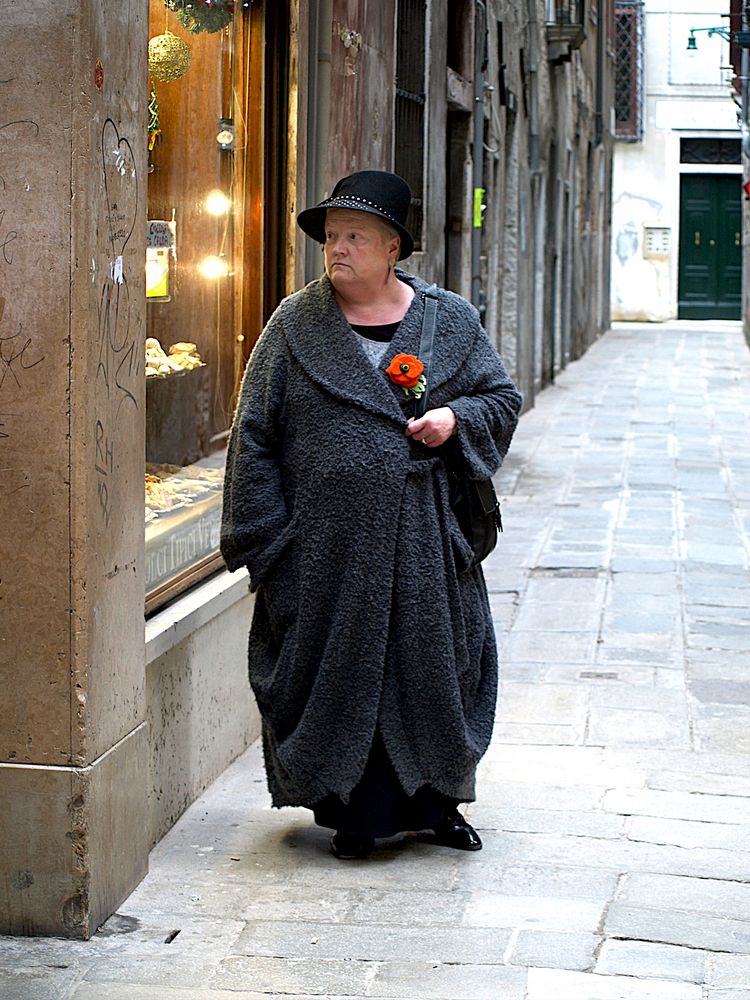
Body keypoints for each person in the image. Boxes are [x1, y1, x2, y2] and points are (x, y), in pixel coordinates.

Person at [221, 170, 522, 860]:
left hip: (426, 542)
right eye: (332, 236)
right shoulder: (295, 325)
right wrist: (271, 544)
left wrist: (454, 418)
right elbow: (254, 436)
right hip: (326, 550)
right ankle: (358, 814)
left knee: (438, 670)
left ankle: (439, 806)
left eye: (355, 236)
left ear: (393, 248)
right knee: (343, 674)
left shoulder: (451, 321)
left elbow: (501, 400)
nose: (338, 249)